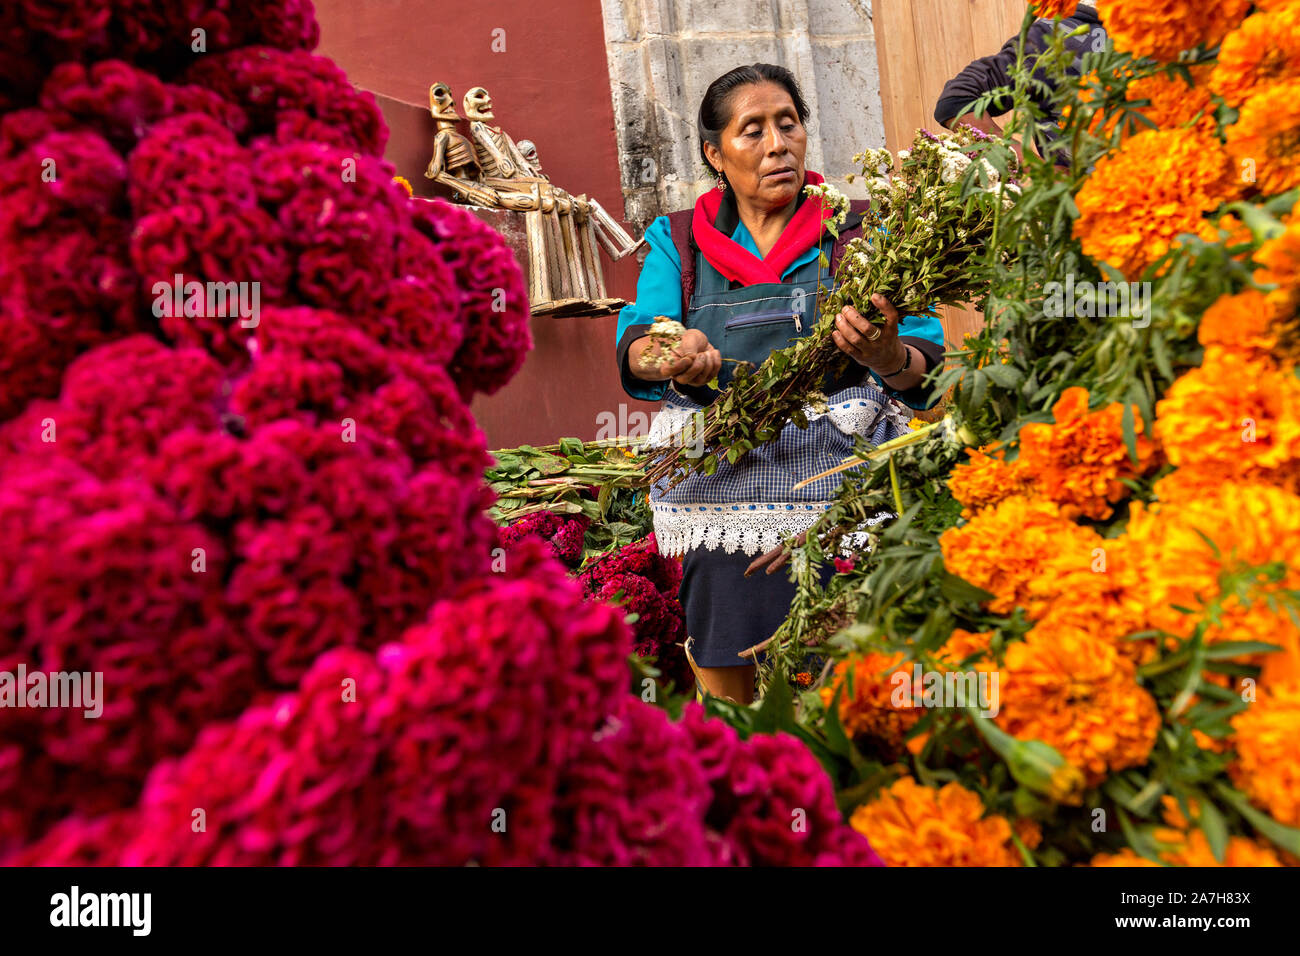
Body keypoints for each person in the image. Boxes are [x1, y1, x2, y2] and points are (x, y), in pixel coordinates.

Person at [616, 64, 944, 703]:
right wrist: (672, 351)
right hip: (725, 484)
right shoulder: (680, 241)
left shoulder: (859, 232)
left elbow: (923, 370)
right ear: (715, 154)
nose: (776, 145)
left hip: (846, 487)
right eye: (752, 131)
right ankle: (746, 758)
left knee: (846, 662)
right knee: (728, 638)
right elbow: (637, 348)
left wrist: (883, 352)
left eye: (788, 124)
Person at [934, 1, 1104, 162]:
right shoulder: (1061, 34)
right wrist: (1037, 169)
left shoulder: (1128, 35)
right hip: (1087, 189)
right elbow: (957, 100)